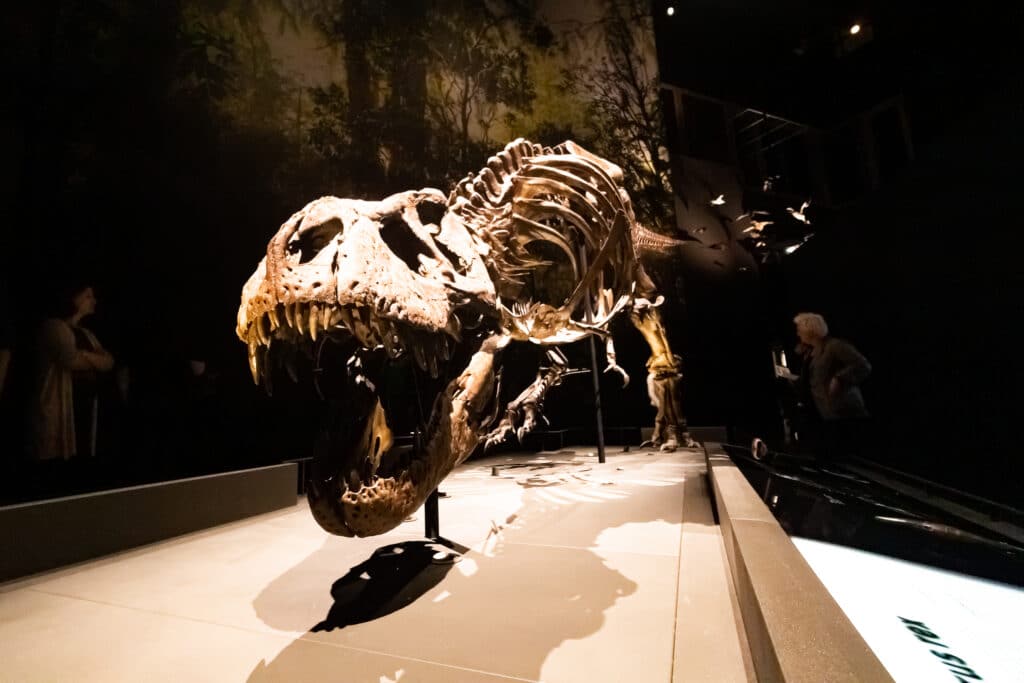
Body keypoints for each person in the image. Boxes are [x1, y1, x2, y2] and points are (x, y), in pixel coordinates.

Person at [28, 282, 115, 461]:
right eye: (88, 296)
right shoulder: (54, 327)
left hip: (84, 409)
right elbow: (71, 360)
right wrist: (90, 358)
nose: (94, 301)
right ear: (73, 298)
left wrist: (85, 355)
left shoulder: (86, 333)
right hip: (59, 408)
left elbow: (109, 362)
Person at [791, 312, 871, 462]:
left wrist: (839, 378)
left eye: (799, 329)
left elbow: (863, 365)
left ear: (810, 330)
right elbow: (813, 379)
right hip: (824, 414)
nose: (798, 333)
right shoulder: (811, 351)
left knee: (843, 459)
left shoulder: (835, 346)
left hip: (842, 413)